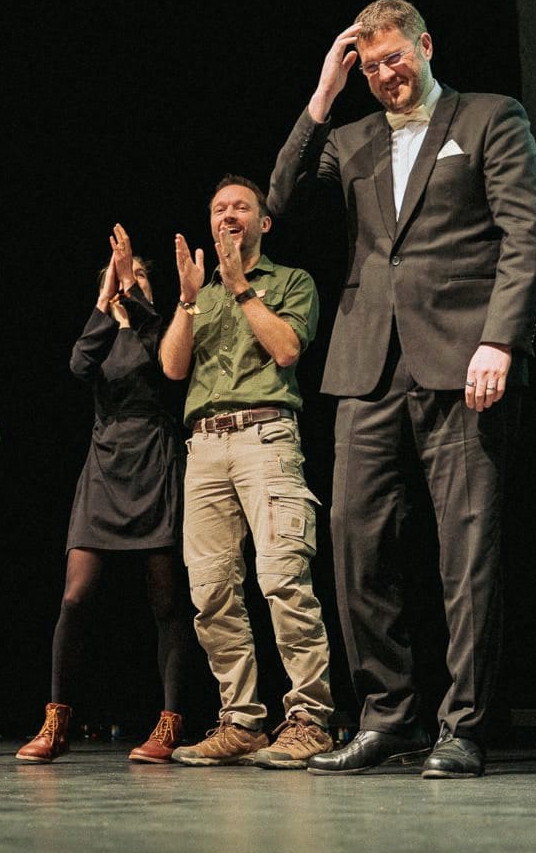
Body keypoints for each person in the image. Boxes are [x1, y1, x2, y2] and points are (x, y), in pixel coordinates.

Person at [269, 0, 536, 778]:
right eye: (371, 64)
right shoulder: (351, 137)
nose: (387, 74)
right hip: (366, 367)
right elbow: (278, 205)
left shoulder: (490, 118)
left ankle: (462, 727)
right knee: (355, 544)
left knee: (466, 551)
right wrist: (324, 94)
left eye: (397, 57)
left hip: (464, 361)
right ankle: (387, 717)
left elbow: (524, 234)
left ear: (425, 46)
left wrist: (499, 338)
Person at [158, 175, 336, 770]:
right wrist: (188, 301)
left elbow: (286, 349)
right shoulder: (197, 294)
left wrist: (239, 287)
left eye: (241, 207)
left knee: (284, 579)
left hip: (266, 435)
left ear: (263, 223)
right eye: (218, 209)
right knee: (210, 591)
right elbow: (173, 367)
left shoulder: (291, 282)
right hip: (205, 446)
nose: (227, 215)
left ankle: (310, 718)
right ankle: (240, 721)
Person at [15, 225, 196, 764]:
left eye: (139, 274)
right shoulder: (102, 333)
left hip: (155, 461)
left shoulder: (166, 328)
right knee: (75, 596)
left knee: (167, 601)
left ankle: (170, 723)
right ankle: (56, 722)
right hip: (105, 467)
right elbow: (78, 366)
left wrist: (135, 302)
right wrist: (103, 304)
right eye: (121, 275)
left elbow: (168, 373)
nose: (129, 280)